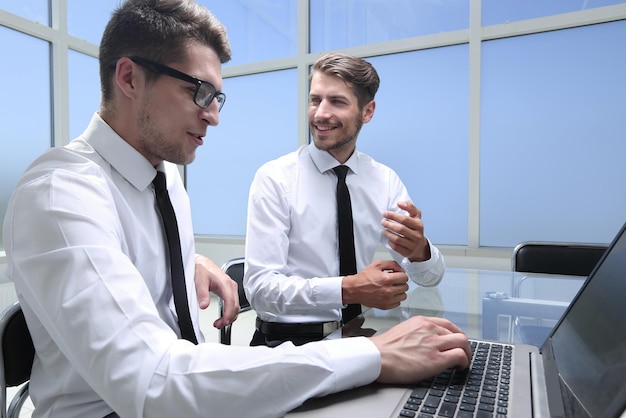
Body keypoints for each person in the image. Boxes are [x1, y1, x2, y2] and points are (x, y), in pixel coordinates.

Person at [2, 1, 470, 417]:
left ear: (367, 113)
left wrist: (184, 264)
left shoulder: (164, 180)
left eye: (217, 97)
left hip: (201, 390)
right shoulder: (60, 194)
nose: (214, 116)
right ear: (129, 78)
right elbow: (154, 386)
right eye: (199, 92)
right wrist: (374, 357)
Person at [245, 52, 446, 347]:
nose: (320, 114)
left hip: (356, 338)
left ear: (367, 111)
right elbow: (261, 290)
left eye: (336, 102)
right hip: (285, 344)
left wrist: (419, 251)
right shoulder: (275, 178)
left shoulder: (384, 180)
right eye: (315, 100)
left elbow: (430, 278)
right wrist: (348, 290)